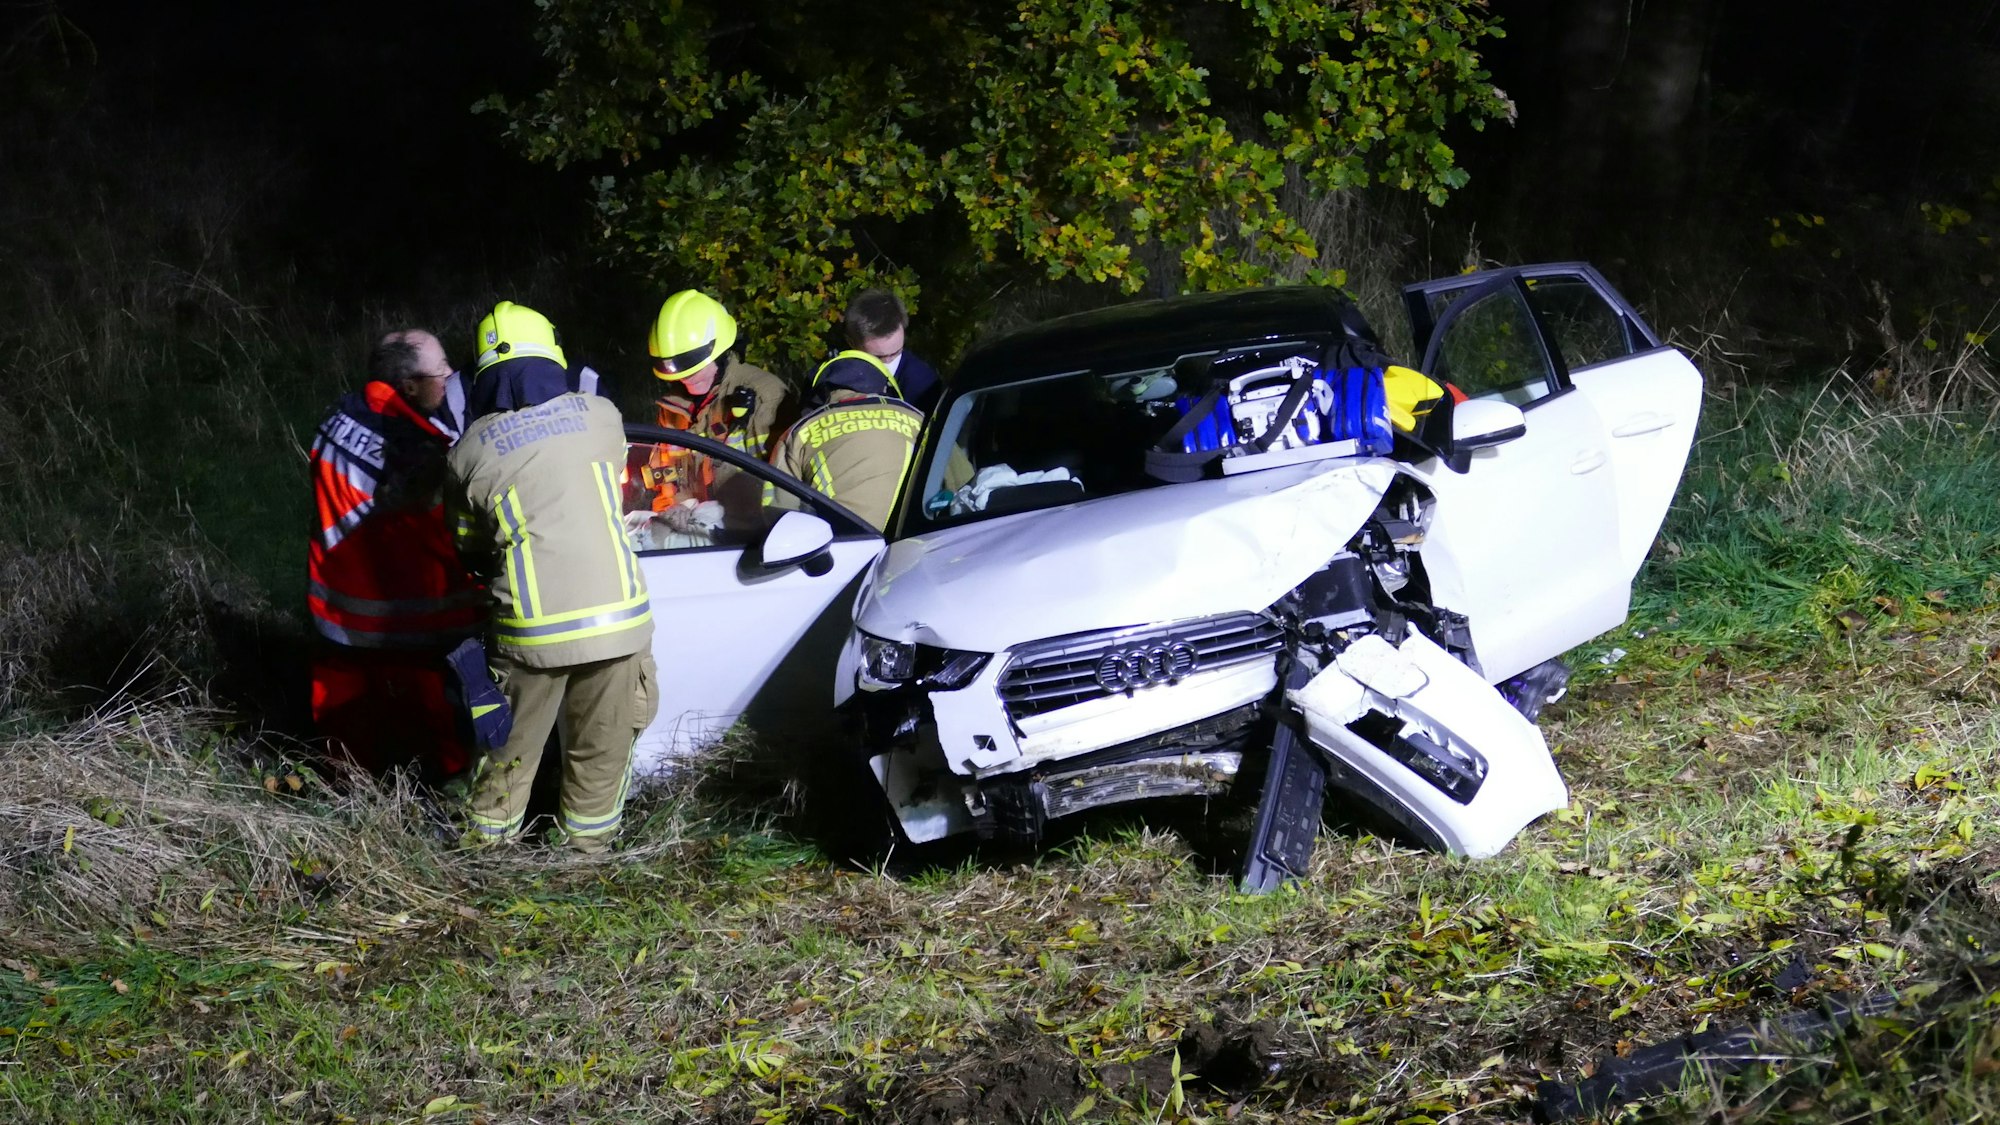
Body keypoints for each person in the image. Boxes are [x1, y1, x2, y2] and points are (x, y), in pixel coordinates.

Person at [448, 301, 659, 852]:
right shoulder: (602, 415)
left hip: (531, 633)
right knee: (600, 755)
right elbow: (612, 492)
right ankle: (585, 865)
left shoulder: (468, 452)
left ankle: (482, 862)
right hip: (618, 624)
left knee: (506, 759)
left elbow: (468, 545)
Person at [308, 329, 485, 779]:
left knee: (343, 722)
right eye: (443, 373)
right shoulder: (424, 450)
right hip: (407, 621)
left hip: (333, 609)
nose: (450, 382)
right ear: (409, 385)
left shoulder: (337, 416)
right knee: (442, 729)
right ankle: (445, 804)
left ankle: (340, 796)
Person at [770, 351, 924, 530]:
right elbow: (959, 483)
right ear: (886, 388)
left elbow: (778, 513)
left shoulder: (800, 431)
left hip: (845, 545)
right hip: (919, 540)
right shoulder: (918, 418)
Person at [843, 288, 943, 415]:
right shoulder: (833, 376)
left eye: (896, 352)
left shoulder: (922, 384)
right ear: (852, 343)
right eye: (878, 357)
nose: (888, 361)